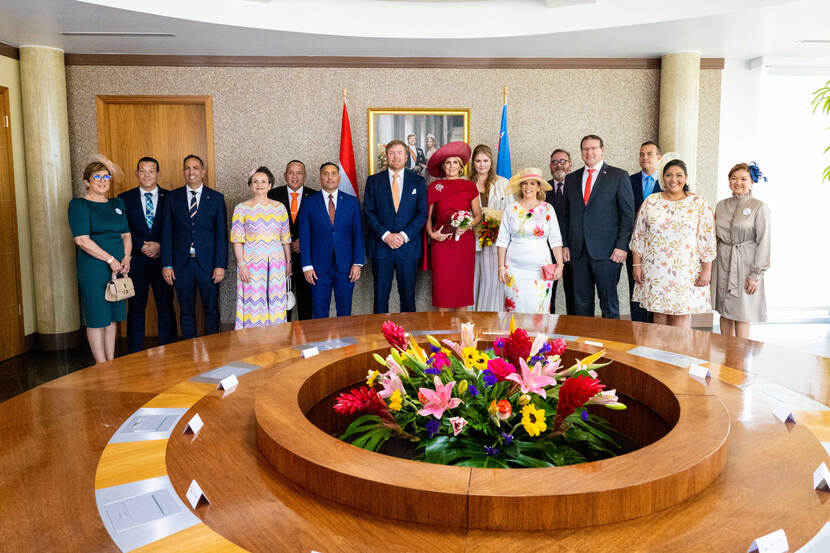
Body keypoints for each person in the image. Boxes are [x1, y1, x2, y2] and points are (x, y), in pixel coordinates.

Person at [629, 159, 716, 328]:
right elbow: (639, 235)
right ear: (663, 177)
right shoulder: (651, 202)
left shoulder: (698, 203)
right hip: (656, 268)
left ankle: (679, 354)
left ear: (686, 178)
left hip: (686, 270)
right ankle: (659, 353)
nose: (673, 179)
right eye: (669, 175)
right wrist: (636, 265)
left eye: (678, 175)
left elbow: (707, 238)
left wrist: (707, 270)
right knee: (659, 312)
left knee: (681, 313)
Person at [559, 135, 635, 319]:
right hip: (578, 251)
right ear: (581, 153)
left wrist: (622, 246)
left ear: (602, 149)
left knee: (609, 304)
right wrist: (565, 244)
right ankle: (585, 345)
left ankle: (611, 345)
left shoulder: (619, 176)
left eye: (593, 148)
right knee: (581, 305)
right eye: (585, 149)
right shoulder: (571, 179)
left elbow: (628, 215)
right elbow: (565, 215)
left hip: (608, 252)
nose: (589, 152)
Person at [68, 161, 131, 364]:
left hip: (118, 267)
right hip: (94, 268)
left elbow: (126, 235)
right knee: (97, 317)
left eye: (106, 177)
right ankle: (100, 364)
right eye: (97, 177)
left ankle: (110, 362)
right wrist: (110, 259)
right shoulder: (79, 205)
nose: (102, 181)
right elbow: (82, 240)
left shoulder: (117, 204)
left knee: (112, 317)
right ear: (87, 181)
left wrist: (127, 257)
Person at [161, 155, 228, 339]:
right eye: (188, 168)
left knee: (211, 309)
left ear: (203, 172)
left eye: (196, 168)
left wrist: (220, 265)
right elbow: (167, 233)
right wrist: (167, 264)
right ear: (184, 171)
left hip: (208, 265)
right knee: (186, 310)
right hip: (181, 265)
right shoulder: (172, 198)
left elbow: (222, 235)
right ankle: (189, 350)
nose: (191, 172)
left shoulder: (215, 198)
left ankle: (214, 348)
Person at [117, 157, 176, 352]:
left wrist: (160, 246)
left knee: (166, 305)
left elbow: (176, 229)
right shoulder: (124, 199)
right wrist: (140, 245)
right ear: (137, 173)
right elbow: (120, 230)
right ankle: (135, 350)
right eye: (143, 171)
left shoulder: (171, 197)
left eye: (151, 171)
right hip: (136, 261)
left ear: (158, 174)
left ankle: (169, 348)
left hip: (163, 261)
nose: (147, 175)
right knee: (136, 306)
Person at [363, 140, 427, 313]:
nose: (396, 156)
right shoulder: (373, 181)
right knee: (380, 296)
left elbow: (422, 213)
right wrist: (386, 236)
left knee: (408, 296)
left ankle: (407, 336)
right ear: (386, 156)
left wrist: (403, 236)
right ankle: (379, 335)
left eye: (400, 153)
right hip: (381, 247)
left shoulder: (418, 182)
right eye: (392, 153)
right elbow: (368, 212)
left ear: (406, 157)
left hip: (408, 248)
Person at [713, 162, 771, 338]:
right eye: (733, 178)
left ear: (752, 181)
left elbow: (764, 241)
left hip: (745, 263)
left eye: (743, 179)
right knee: (724, 309)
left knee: (742, 312)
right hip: (722, 261)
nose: (738, 182)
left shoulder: (759, 207)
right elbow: (713, 235)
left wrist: (756, 275)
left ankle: (739, 358)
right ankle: (726, 354)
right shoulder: (721, 205)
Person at [299, 162, 365, 318]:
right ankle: (320, 342)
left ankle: (344, 343)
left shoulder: (351, 202)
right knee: (319, 312)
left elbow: (358, 234)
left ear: (339, 177)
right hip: (318, 268)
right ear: (319, 177)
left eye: (333, 173)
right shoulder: (309, 203)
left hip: (346, 266)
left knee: (345, 311)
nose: (330, 177)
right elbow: (304, 236)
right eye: (325, 174)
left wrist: (357, 263)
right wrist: (307, 266)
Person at [496, 168, 564, 313]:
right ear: (520, 187)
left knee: (539, 307)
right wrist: (501, 267)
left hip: (540, 269)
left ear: (539, 187)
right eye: (525, 183)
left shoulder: (548, 209)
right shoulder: (511, 209)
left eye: (532, 183)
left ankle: (538, 336)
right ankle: (515, 336)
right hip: (514, 269)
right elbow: (502, 240)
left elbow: (556, 240)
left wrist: (560, 264)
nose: (528, 187)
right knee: (515, 308)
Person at [231, 166, 292, 328]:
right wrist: (241, 264)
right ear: (250, 185)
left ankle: (276, 340)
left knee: (276, 300)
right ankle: (253, 340)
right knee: (254, 299)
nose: (260, 184)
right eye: (255, 181)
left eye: (264, 181)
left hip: (277, 262)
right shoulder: (241, 208)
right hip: (251, 263)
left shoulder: (280, 207)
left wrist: (289, 262)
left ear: (270, 185)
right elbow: (237, 240)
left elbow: (285, 238)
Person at [425, 141, 481, 311]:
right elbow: (427, 218)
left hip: (464, 243)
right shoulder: (435, 187)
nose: (451, 166)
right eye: (447, 162)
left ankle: (463, 335)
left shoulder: (470, 186)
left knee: (461, 292)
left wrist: (468, 225)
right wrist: (431, 234)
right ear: (443, 166)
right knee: (443, 291)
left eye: (455, 162)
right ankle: (442, 334)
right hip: (441, 243)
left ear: (461, 165)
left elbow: (478, 215)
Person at [268, 160, 316, 320]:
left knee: (306, 301)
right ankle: (284, 337)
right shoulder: (272, 195)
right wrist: (285, 243)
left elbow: (320, 226)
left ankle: (307, 341)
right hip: (280, 258)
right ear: (284, 175)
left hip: (307, 257)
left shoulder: (315, 196)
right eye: (291, 172)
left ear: (305, 176)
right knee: (282, 302)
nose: (294, 176)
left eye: (299, 172)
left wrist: (304, 241)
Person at [470, 144, 511, 311]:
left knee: (492, 282)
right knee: (471, 281)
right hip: (470, 240)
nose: (482, 164)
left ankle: (490, 319)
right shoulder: (466, 183)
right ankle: (471, 320)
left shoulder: (503, 183)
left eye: (485, 160)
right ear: (473, 163)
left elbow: (510, 213)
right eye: (478, 161)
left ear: (491, 161)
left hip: (495, 240)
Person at [626, 141, 663, 323]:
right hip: (635, 247)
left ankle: (656, 332)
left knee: (658, 290)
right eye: (642, 154)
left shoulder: (669, 182)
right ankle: (638, 331)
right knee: (637, 288)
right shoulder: (628, 181)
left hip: (661, 249)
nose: (645, 157)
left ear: (659, 158)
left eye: (649, 154)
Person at [545, 148, 575, 315]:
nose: (559, 165)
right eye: (555, 162)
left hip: (573, 250)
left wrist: (567, 244)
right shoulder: (543, 190)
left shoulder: (578, 188)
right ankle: (549, 331)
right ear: (550, 166)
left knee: (574, 295)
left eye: (563, 161)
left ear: (570, 165)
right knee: (549, 295)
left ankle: (572, 333)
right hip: (548, 251)